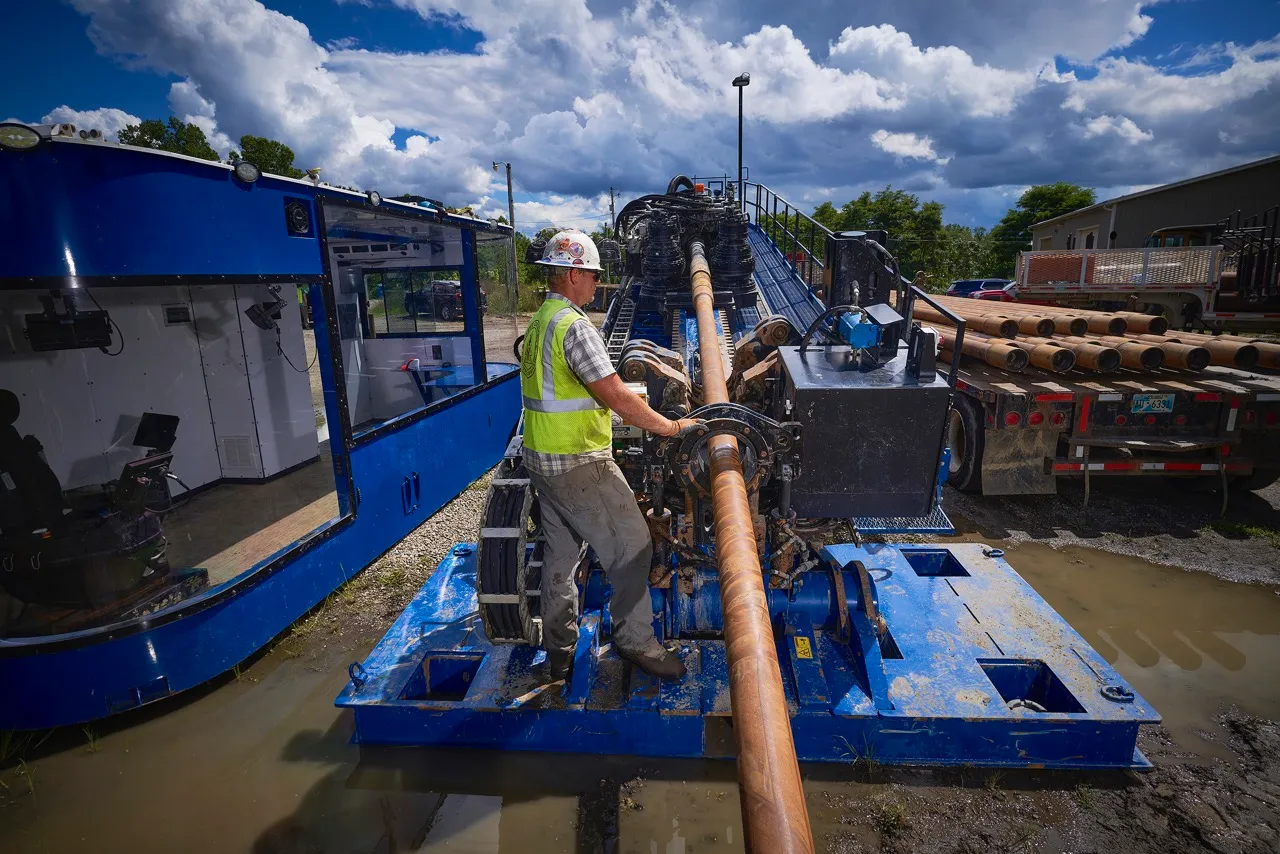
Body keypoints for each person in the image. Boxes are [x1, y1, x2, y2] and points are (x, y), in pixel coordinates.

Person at [521, 229, 695, 682]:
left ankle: (559, 649)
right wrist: (672, 427)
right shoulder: (575, 327)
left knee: (560, 558)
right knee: (633, 548)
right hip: (580, 463)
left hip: (543, 459)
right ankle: (636, 641)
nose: (598, 284)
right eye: (594, 276)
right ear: (573, 273)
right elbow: (616, 396)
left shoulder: (542, 319)